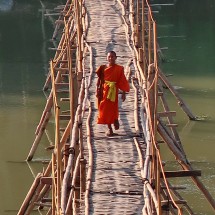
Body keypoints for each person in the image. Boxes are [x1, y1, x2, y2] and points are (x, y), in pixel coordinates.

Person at [96, 51, 130, 136]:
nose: (111, 58)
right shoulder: (103, 68)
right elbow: (100, 80)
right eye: (109, 57)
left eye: (112, 57)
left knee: (113, 108)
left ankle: (114, 119)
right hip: (105, 90)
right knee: (104, 107)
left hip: (113, 91)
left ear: (116, 58)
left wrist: (123, 92)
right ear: (107, 58)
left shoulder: (119, 68)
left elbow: (122, 81)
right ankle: (109, 127)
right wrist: (98, 90)